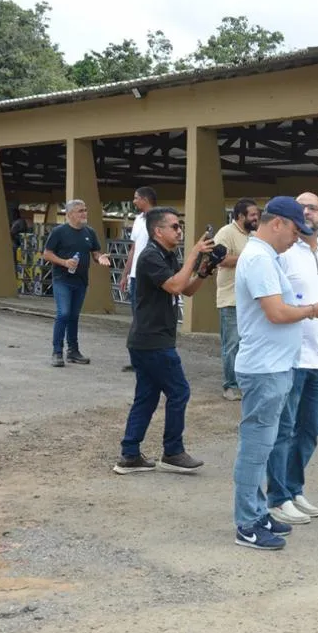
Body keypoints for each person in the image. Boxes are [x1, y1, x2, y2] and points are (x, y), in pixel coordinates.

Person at [231, 197, 318, 550]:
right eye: (295, 230)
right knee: (256, 448)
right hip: (265, 368)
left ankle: (257, 512)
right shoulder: (260, 258)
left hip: (274, 365)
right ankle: (247, 524)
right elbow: (276, 313)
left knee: (263, 446)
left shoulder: (266, 256)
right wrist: (312, 310)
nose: (297, 238)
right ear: (277, 223)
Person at [113, 207, 216, 475]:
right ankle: (172, 452)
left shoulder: (166, 256)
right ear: (158, 231)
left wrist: (203, 272)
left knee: (146, 397)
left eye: (180, 226)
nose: (180, 231)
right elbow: (174, 286)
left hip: (150, 340)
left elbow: (186, 290)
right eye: (175, 226)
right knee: (179, 391)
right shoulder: (150, 256)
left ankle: (130, 455)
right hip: (152, 340)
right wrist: (194, 254)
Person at [266, 192, 318, 525]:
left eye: (313, 207)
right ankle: (277, 497)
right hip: (291, 357)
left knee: (310, 431)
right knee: (284, 431)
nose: (307, 212)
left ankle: (293, 489)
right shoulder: (283, 252)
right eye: (301, 207)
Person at [42, 201, 112, 367]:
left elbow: (95, 252)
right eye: (80, 211)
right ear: (70, 214)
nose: (84, 213)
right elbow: (47, 254)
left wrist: (100, 257)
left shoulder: (89, 232)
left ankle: (73, 351)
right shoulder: (59, 232)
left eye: (85, 210)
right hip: (62, 279)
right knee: (64, 313)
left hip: (80, 281)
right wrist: (64, 262)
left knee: (74, 316)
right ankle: (57, 352)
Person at [213, 197, 260, 401]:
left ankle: (245, 383)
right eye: (253, 215)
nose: (256, 218)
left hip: (252, 300)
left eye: (257, 215)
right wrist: (248, 258)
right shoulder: (226, 233)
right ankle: (230, 386)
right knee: (232, 344)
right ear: (241, 216)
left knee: (249, 344)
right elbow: (219, 259)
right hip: (231, 299)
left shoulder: (255, 236)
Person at [119, 187, 157, 372]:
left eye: (136, 198)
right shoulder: (138, 220)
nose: (134, 202)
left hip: (150, 277)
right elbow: (134, 249)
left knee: (148, 317)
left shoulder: (159, 219)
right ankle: (138, 359)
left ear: (145, 199)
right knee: (137, 318)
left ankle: (150, 359)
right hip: (135, 276)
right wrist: (125, 273)